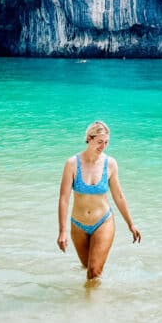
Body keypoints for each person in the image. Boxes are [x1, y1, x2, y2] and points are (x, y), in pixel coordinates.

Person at [57, 120, 141, 283]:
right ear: (89, 138)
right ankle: (86, 303)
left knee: (94, 272)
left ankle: (97, 305)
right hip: (78, 224)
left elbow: (119, 196)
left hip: (103, 221)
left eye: (106, 142)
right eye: (99, 142)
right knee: (87, 268)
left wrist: (131, 224)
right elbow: (63, 198)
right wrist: (62, 231)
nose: (103, 146)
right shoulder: (72, 164)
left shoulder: (110, 164)